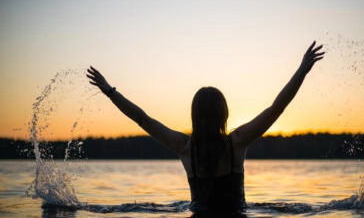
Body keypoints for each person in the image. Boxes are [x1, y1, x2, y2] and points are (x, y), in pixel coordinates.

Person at [86, 41, 324, 216]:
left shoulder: (186, 148)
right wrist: (302, 70)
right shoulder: (237, 142)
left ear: (194, 115)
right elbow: (276, 109)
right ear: (224, 114)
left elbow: (143, 119)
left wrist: (110, 91)